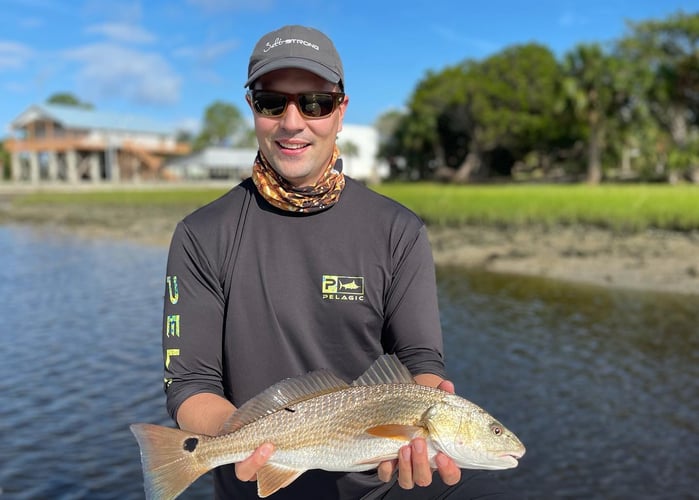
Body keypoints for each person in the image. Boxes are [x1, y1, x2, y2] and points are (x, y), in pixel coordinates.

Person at [162, 24, 515, 499]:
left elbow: (420, 361)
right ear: (252, 108)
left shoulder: (399, 230)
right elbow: (189, 383)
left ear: (341, 111)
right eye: (271, 102)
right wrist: (244, 437)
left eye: (315, 103)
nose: (293, 122)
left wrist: (426, 428)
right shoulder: (201, 235)